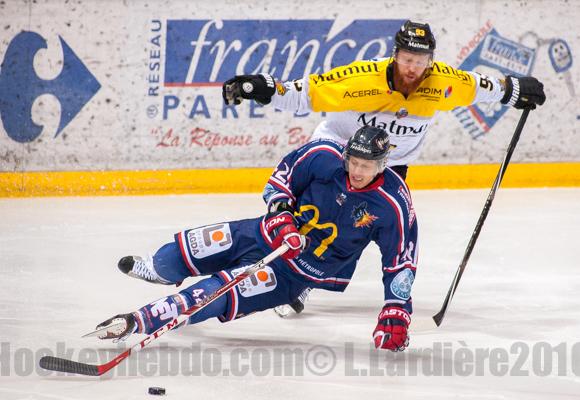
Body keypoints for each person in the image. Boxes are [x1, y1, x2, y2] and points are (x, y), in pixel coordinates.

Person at [222, 20, 546, 313]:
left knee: (354, 230)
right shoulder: (361, 79)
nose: (413, 68)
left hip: (391, 165)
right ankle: (266, 266)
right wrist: (263, 89)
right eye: (407, 59)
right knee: (308, 216)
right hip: (336, 155)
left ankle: (308, 279)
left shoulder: (443, 82)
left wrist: (515, 90)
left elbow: (480, 87)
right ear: (395, 55)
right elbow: (306, 93)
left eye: (420, 61)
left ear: (430, 61)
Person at [95, 126, 419, 352]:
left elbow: (400, 261)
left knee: (216, 292)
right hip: (259, 233)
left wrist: (396, 308)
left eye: (366, 166)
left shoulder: (393, 203)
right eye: (354, 162)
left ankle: (140, 321)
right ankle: (160, 272)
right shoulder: (323, 155)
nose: (358, 171)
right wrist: (282, 222)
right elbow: (280, 183)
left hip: (294, 272)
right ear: (346, 155)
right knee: (170, 260)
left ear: (382, 164)